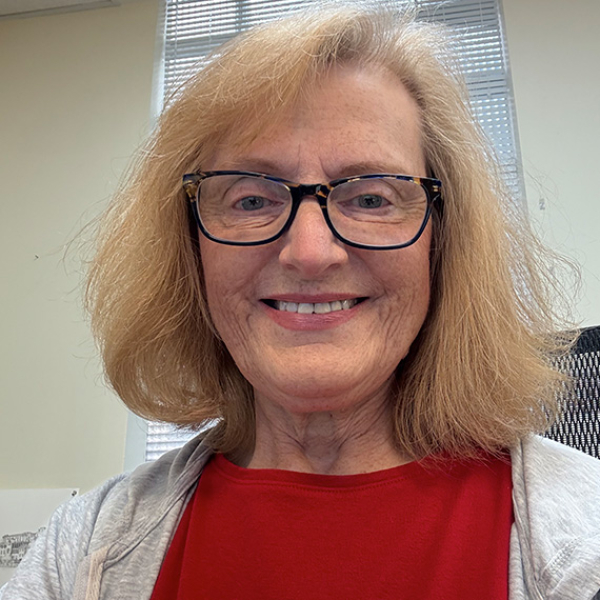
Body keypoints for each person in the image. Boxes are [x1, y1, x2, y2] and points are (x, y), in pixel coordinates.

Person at [2, 4, 600, 600]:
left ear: (443, 243)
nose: (310, 253)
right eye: (250, 200)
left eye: (371, 199)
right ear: (190, 252)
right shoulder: (85, 550)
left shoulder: (582, 538)